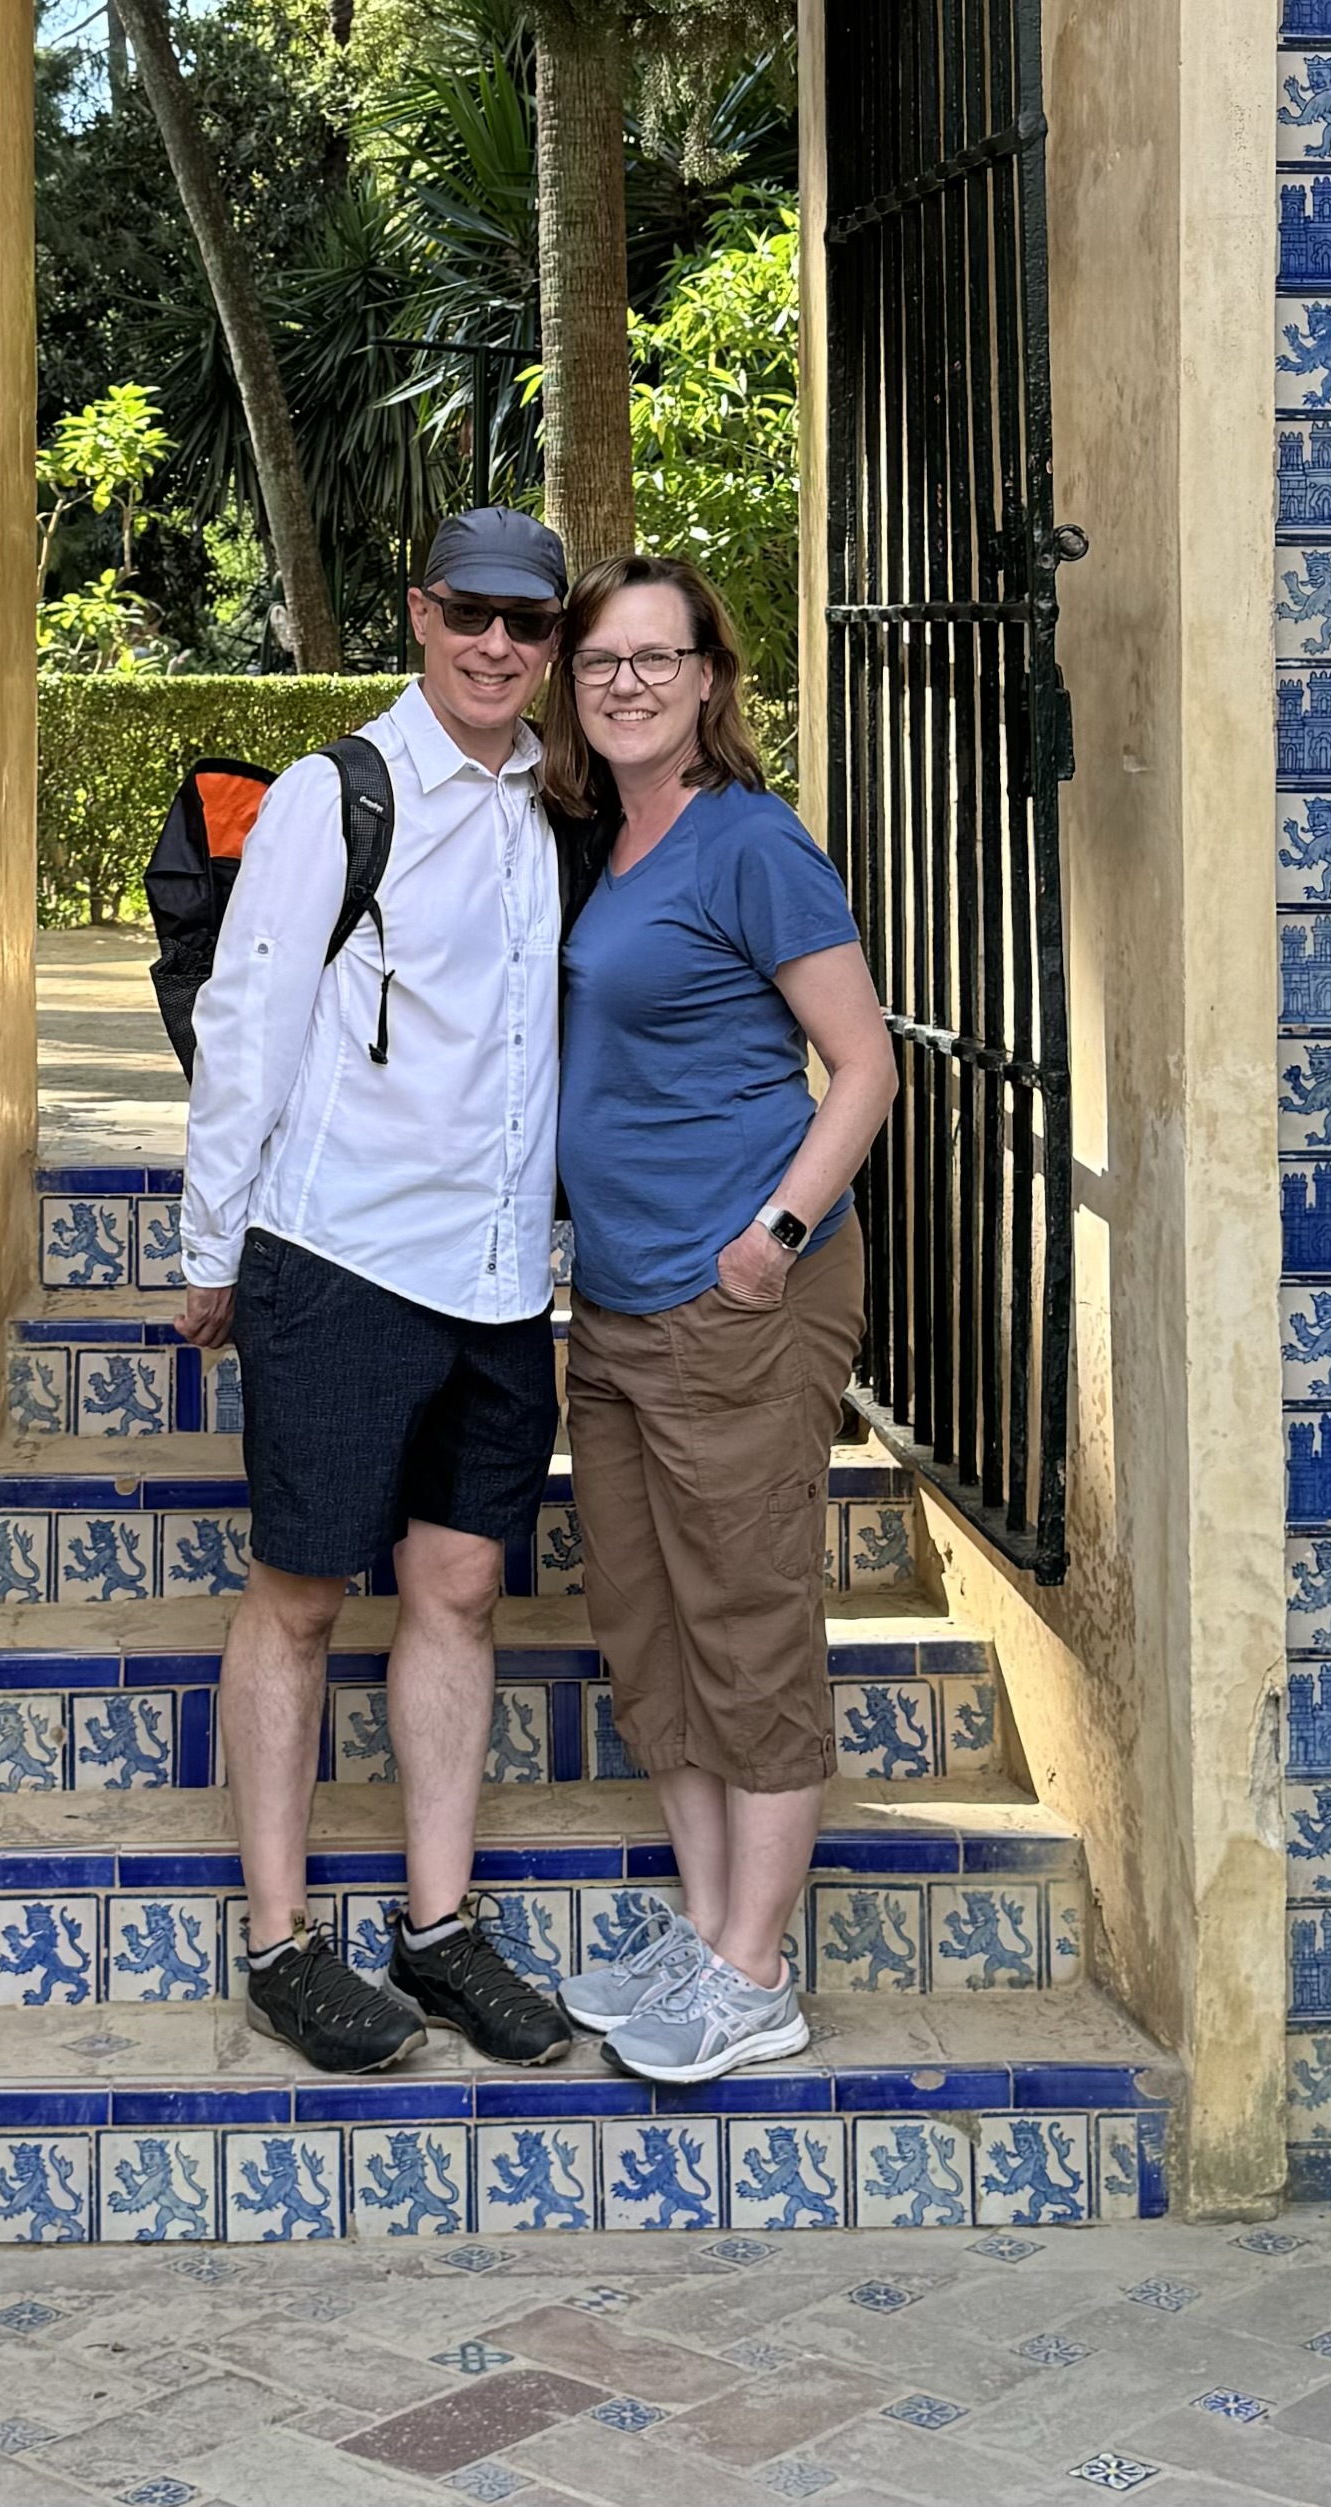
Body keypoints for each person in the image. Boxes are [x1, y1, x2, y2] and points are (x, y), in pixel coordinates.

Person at [173, 504, 579, 2076]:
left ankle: (437, 1926)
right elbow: (250, 1020)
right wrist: (213, 1249)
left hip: (498, 1281)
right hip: (338, 1258)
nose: (497, 646)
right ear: (420, 615)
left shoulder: (555, 805)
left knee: (460, 1593)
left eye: (527, 623)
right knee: (299, 1597)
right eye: (471, 613)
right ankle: (281, 1944)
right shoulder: (337, 795)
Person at [539, 551, 899, 2085]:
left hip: (736, 1298)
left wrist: (774, 1237)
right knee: (649, 1630)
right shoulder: (614, 845)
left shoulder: (750, 840)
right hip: (621, 1307)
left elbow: (865, 1066)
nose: (624, 682)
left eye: (654, 658)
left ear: (707, 681)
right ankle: (707, 1935)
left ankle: (755, 1973)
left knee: (747, 1626)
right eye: (599, 660)